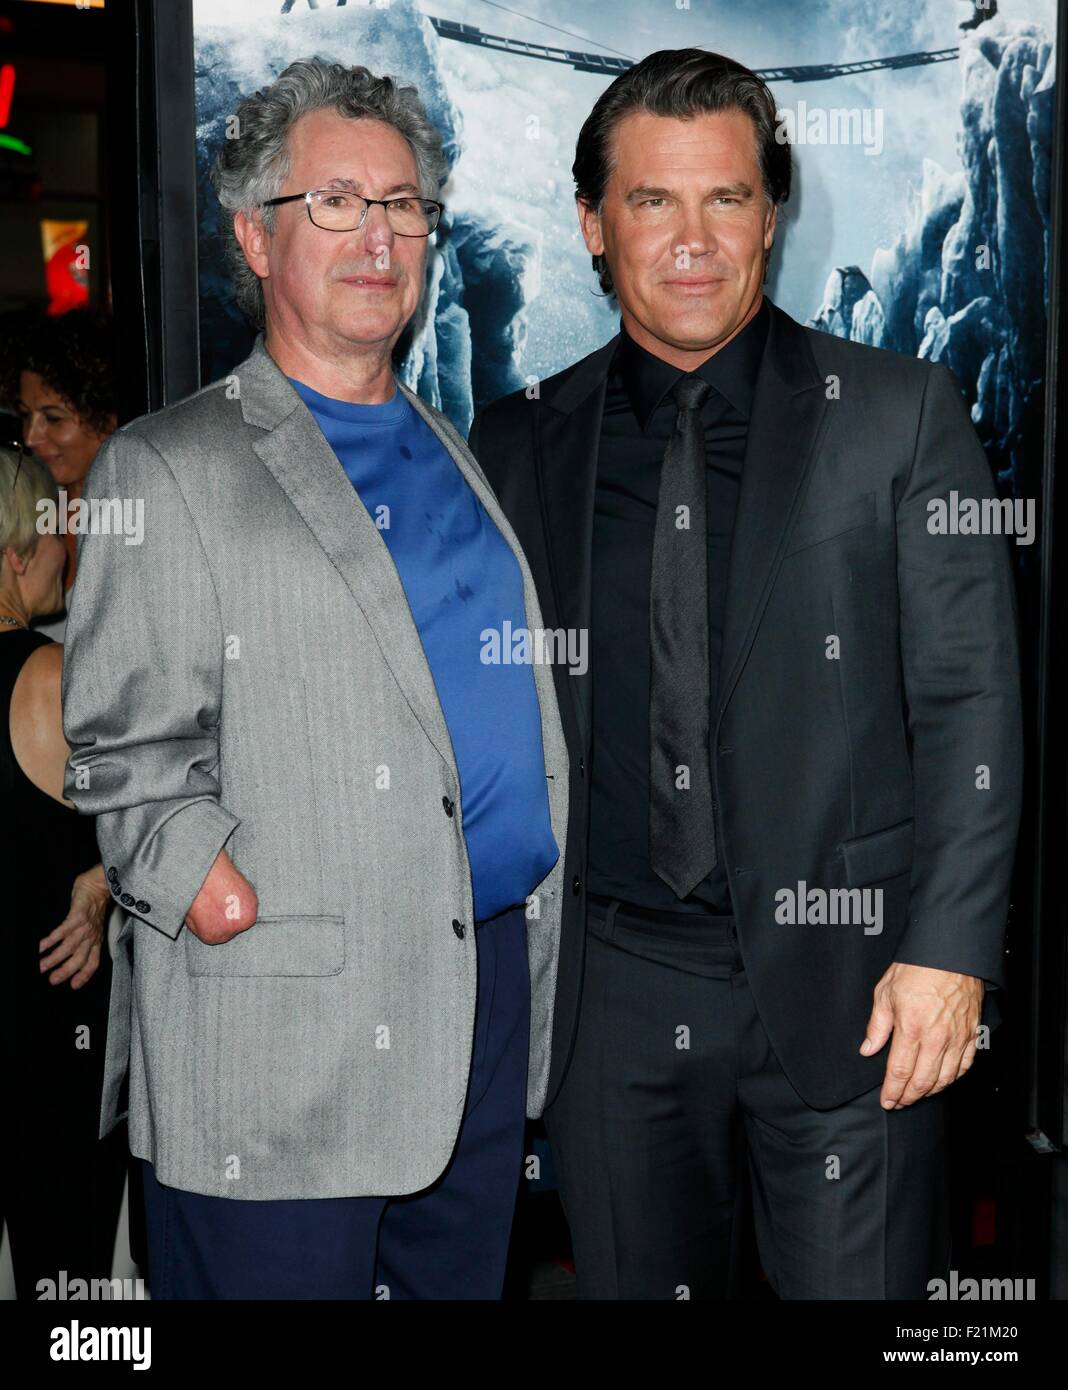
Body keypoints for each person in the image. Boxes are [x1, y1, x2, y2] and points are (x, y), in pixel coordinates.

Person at [468, 47, 1023, 1299]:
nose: (692, 239)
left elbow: (972, 702)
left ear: (771, 217)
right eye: (652, 201)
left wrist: (951, 956)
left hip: (860, 986)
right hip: (610, 992)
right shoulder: (515, 442)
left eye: (726, 197)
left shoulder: (901, 413)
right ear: (592, 223)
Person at [61, 57, 568, 1301]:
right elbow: (116, 751)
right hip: (280, 1032)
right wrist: (208, 887)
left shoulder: (453, 445)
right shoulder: (165, 464)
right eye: (335, 203)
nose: (378, 236)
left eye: (402, 206)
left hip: (481, 994)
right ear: (252, 232)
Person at [0, 444, 125, 1299]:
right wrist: (101, 880)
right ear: (15, 553)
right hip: (50, 1042)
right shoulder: (48, 679)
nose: (66, 553)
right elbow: (152, 821)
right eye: (54, 533)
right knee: (75, 1286)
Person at [12, 309, 117, 606]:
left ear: (108, 416)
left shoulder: (148, 516)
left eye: (53, 418)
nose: (31, 436)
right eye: (25, 415)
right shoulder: (25, 508)